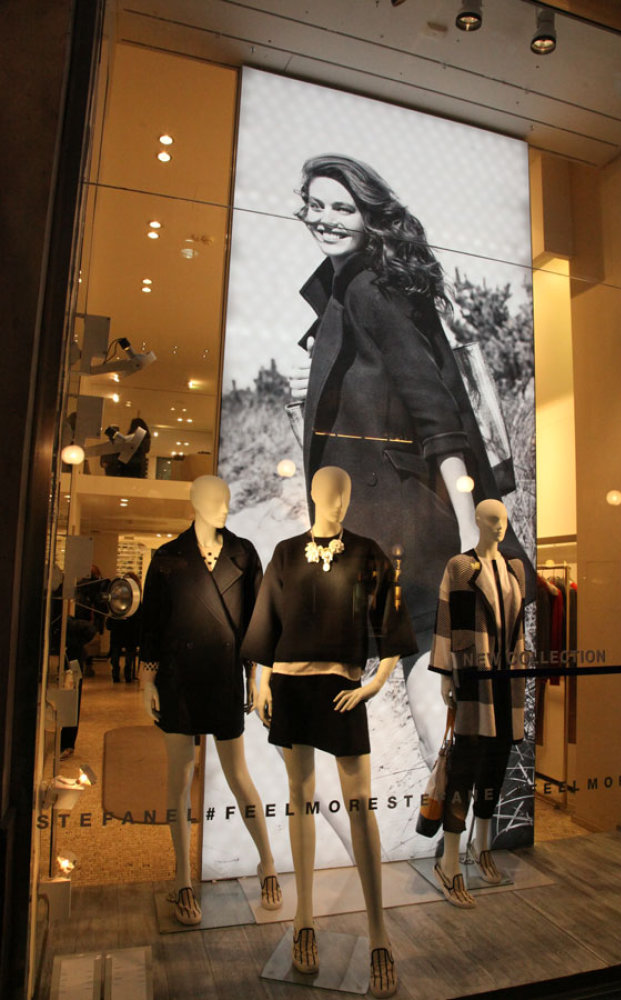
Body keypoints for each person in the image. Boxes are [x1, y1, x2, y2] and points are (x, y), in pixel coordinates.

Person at [290, 153, 533, 763]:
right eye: (316, 205)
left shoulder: (368, 288)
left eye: (343, 207)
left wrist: (468, 529)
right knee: (426, 666)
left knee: (423, 664)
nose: (326, 218)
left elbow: (433, 411)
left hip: (405, 523)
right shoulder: (352, 289)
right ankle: (453, 792)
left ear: (369, 217)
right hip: (392, 519)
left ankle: (453, 789)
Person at [242, 467, 417, 999]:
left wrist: (375, 684)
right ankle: (304, 919)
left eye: (345, 492)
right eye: (330, 492)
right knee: (300, 798)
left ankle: (379, 932)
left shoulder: (367, 554)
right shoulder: (286, 553)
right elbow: (268, 621)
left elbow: (391, 623)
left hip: (342, 688)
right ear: (314, 494)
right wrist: (261, 679)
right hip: (291, 687)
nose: (339, 501)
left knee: (360, 803)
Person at [139, 475, 282, 925]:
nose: (224, 506)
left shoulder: (243, 553)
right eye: (215, 500)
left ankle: (267, 863)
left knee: (239, 775)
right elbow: (151, 623)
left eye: (227, 499)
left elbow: (259, 620)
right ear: (194, 502)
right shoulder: (168, 557)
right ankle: (182, 878)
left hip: (225, 675)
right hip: (177, 678)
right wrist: (147, 680)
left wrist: (258, 676)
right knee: (179, 778)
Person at [428, 499, 526, 907]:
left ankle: (481, 845)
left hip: (507, 681)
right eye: (491, 519)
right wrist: (446, 674)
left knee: (496, 762)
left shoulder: (515, 568)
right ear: (477, 521)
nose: (499, 526)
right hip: (473, 678)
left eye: (503, 519)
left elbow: (518, 628)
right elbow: (446, 619)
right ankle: (448, 861)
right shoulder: (460, 567)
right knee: (465, 766)